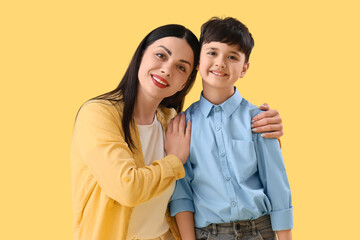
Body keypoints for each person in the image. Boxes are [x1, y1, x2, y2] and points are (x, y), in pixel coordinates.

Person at [71, 24, 284, 240]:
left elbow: (216, 170)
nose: (167, 70)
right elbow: (127, 189)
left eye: (181, 67)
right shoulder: (98, 114)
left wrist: (264, 130)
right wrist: (174, 160)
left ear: (185, 82)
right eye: (161, 55)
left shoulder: (174, 122)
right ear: (141, 55)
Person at [170, 17, 293, 240]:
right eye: (212, 53)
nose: (220, 63)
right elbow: (182, 193)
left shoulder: (259, 119)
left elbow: (276, 184)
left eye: (232, 56)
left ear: (244, 68)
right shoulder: (182, 124)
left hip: (260, 230)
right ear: (198, 60)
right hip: (209, 233)